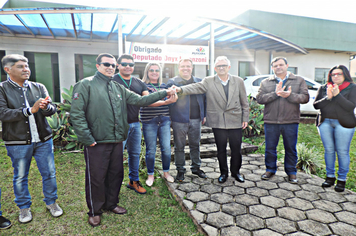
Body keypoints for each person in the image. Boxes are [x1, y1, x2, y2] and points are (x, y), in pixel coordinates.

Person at [70, 53, 175, 227]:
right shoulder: (85, 85)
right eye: (106, 64)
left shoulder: (117, 87)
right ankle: (95, 211)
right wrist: (87, 138)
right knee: (96, 177)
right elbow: (77, 114)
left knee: (116, 174)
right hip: (96, 141)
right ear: (98, 66)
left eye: (112, 65)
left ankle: (111, 204)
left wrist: (164, 92)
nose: (110, 67)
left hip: (117, 140)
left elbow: (141, 100)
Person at [0, 54, 63, 224]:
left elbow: (51, 110)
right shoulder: (2, 89)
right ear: (8, 69)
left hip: (43, 139)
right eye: (20, 66)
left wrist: (46, 107)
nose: (26, 69)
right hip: (17, 142)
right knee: (20, 176)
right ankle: (24, 208)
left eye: (27, 66)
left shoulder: (39, 86)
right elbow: (3, 114)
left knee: (49, 173)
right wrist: (30, 110)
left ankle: (52, 203)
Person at [173, 56, 249, 183]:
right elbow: (195, 87)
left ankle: (236, 172)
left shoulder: (238, 81)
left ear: (228, 67)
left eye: (224, 65)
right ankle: (223, 173)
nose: (221, 68)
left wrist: (245, 117)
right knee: (221, 149)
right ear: (214, 68)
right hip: (218, 120)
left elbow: (244, 101)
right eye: (219, 66)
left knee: (236, 149)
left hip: (235, 119)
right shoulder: (208, 81)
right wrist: (180, 89)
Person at [256, 57, 309, 184]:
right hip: (271, 121)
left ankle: (291, 172)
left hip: (290, 121)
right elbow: (259, 98)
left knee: (290, 148)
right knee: (270, 148)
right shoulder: (266, 82)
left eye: (281, 65)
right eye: (275, 66)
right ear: (272, 68)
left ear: (287, 65)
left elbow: (305, 98)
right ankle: (270, 169)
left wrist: (289, 95)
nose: (278, 67)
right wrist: (275, 94)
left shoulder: (298, 80)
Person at [313, 65, 356, 192]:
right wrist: (328, 97)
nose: (335, 76)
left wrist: (337, 95)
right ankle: (330, 177)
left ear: (345, 75)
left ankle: (342, 180)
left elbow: (350, 107)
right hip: (325, 122)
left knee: (342, 152)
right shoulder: (324, 88)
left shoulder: (352, 88)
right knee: (329, 150)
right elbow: (316, 105)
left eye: (339, 74)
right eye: (333, 74)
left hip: (344, 124)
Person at [113, 54, 148, 194]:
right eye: (124, 63)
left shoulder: (139, 82)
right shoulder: (111, 81)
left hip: (135, 124)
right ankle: (113, 185)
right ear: (118, 65)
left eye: (131, 64)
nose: (128, 66)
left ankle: (133, 181)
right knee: (116, 156)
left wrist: (165, 97)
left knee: (135, 153)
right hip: (118, 126)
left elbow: (148, 99)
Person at [167, 58, 207, 182]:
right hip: (179, 120)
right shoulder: (172, 82)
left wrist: (203, 115)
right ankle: (180, 170)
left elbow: (204, 100)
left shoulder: (199, 82)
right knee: (179, 146)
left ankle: (196, 167)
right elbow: (168, 102)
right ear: (178, 68)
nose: (185, 68)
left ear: (192, 68)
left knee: (195, 145)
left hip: (196, 120)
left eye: (188, 66)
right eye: (183, 66)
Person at [140, 63, 177, 186]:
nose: (154, 72)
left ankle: (166, 173)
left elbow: (171, 100)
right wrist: (166, 102)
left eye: (157, 70)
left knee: (166, 149)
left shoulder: (164, 86)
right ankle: (151, 175)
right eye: (151, 70)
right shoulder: (142, 86)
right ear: (147, 71)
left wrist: (171, 99)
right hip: (149, 121)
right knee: (151, 150)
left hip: (164, 120)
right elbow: (148, 101)